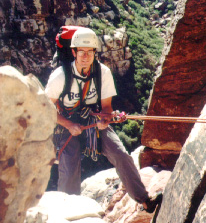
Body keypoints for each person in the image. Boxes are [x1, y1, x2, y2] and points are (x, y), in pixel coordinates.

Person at [45, 27, 162, 213]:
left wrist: (105, 120)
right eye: (81, 52)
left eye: (89, 52)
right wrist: (68, 124)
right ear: (74, 52)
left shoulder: (102, 73)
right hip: (66, 124)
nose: (85, 56)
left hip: (92, 119)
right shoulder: (60, 76)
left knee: (121, 155)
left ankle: (144, 199)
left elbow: (106, 107)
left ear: (94, 53)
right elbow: (45, 108)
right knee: (69, 166)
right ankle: (67, 213)